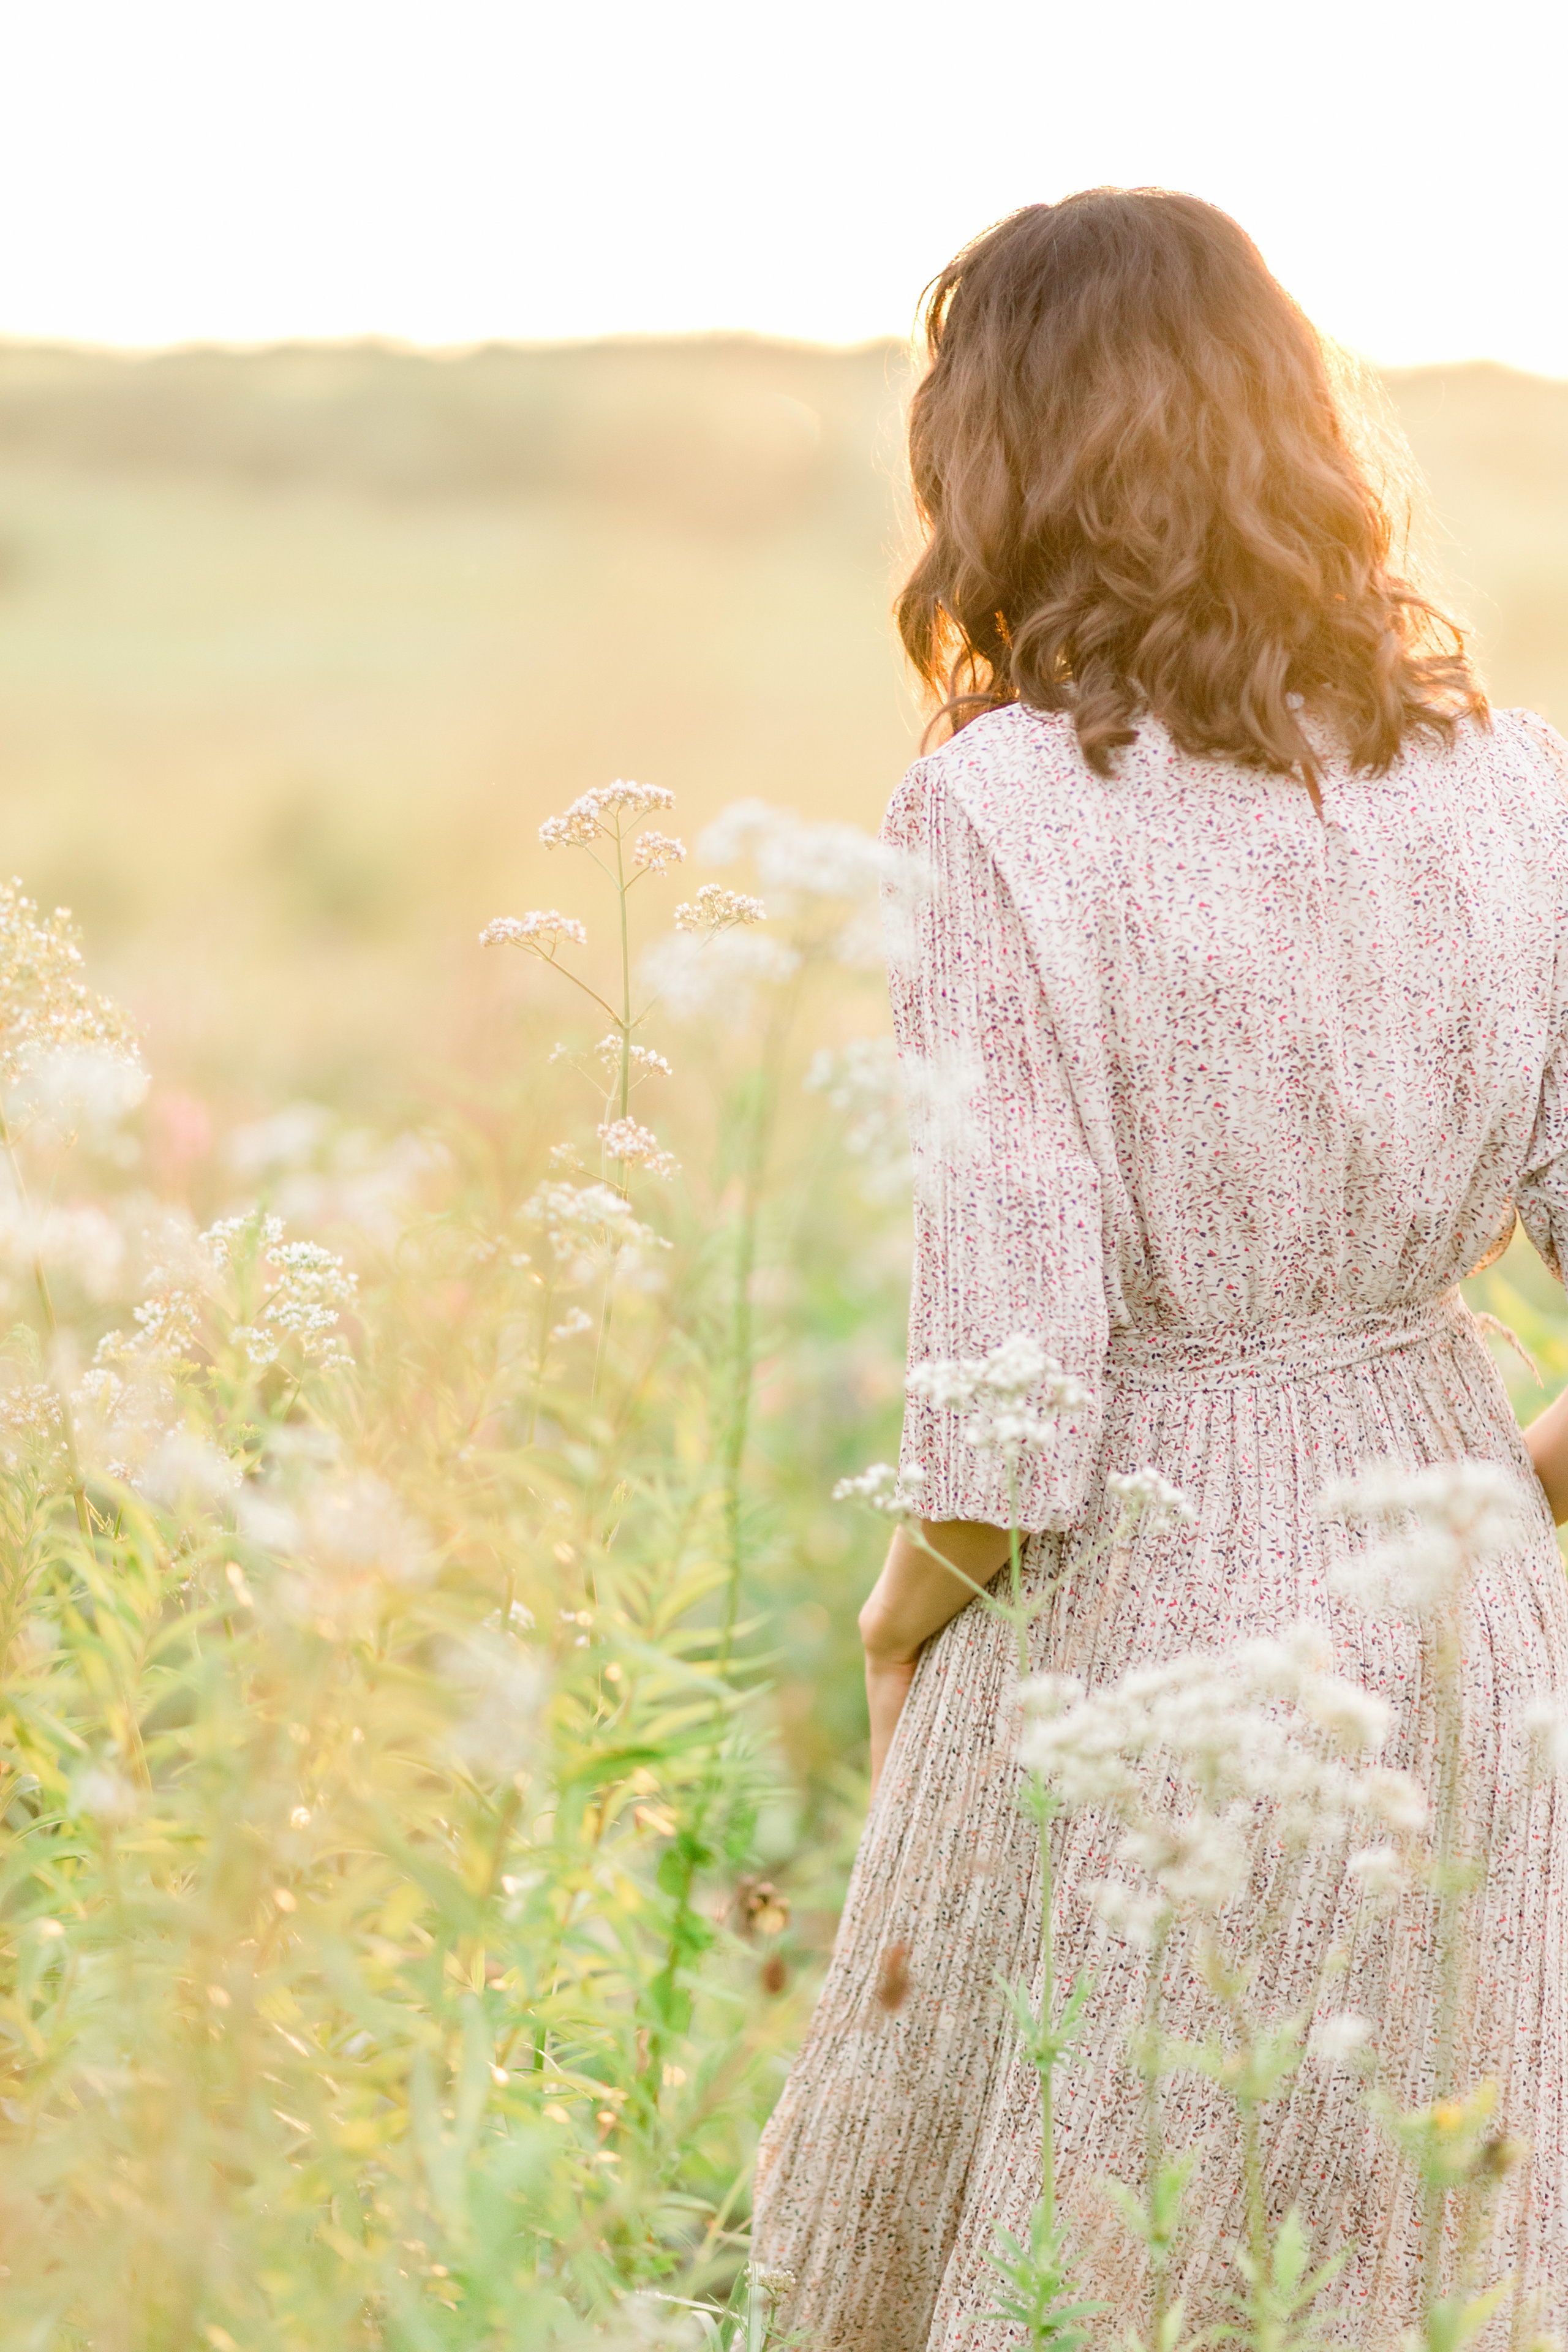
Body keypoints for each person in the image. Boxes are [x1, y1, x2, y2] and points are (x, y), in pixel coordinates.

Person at [751, 189, 1568, 2346]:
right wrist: (1503, 1498)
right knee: (1407, 2254)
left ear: (998, 461)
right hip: (1465, 1628)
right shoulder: (1517, 791)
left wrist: (893, 1624)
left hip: (1138, 1621)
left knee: (1092, 2254)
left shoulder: (998, 812)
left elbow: (1014, 1405)